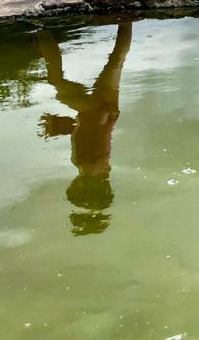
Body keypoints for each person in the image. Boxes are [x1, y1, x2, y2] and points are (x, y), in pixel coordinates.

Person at [36, 21, 132, 236]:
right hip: (98, 112)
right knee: (57, 82)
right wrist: (102, 116)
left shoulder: (95, 169)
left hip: (104, 113)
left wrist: (63, 128)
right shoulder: (89, 165)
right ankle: (42, 28)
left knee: (116, 60)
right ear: (82, 189)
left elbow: (87, 136)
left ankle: (127, 18)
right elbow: (98, 136)